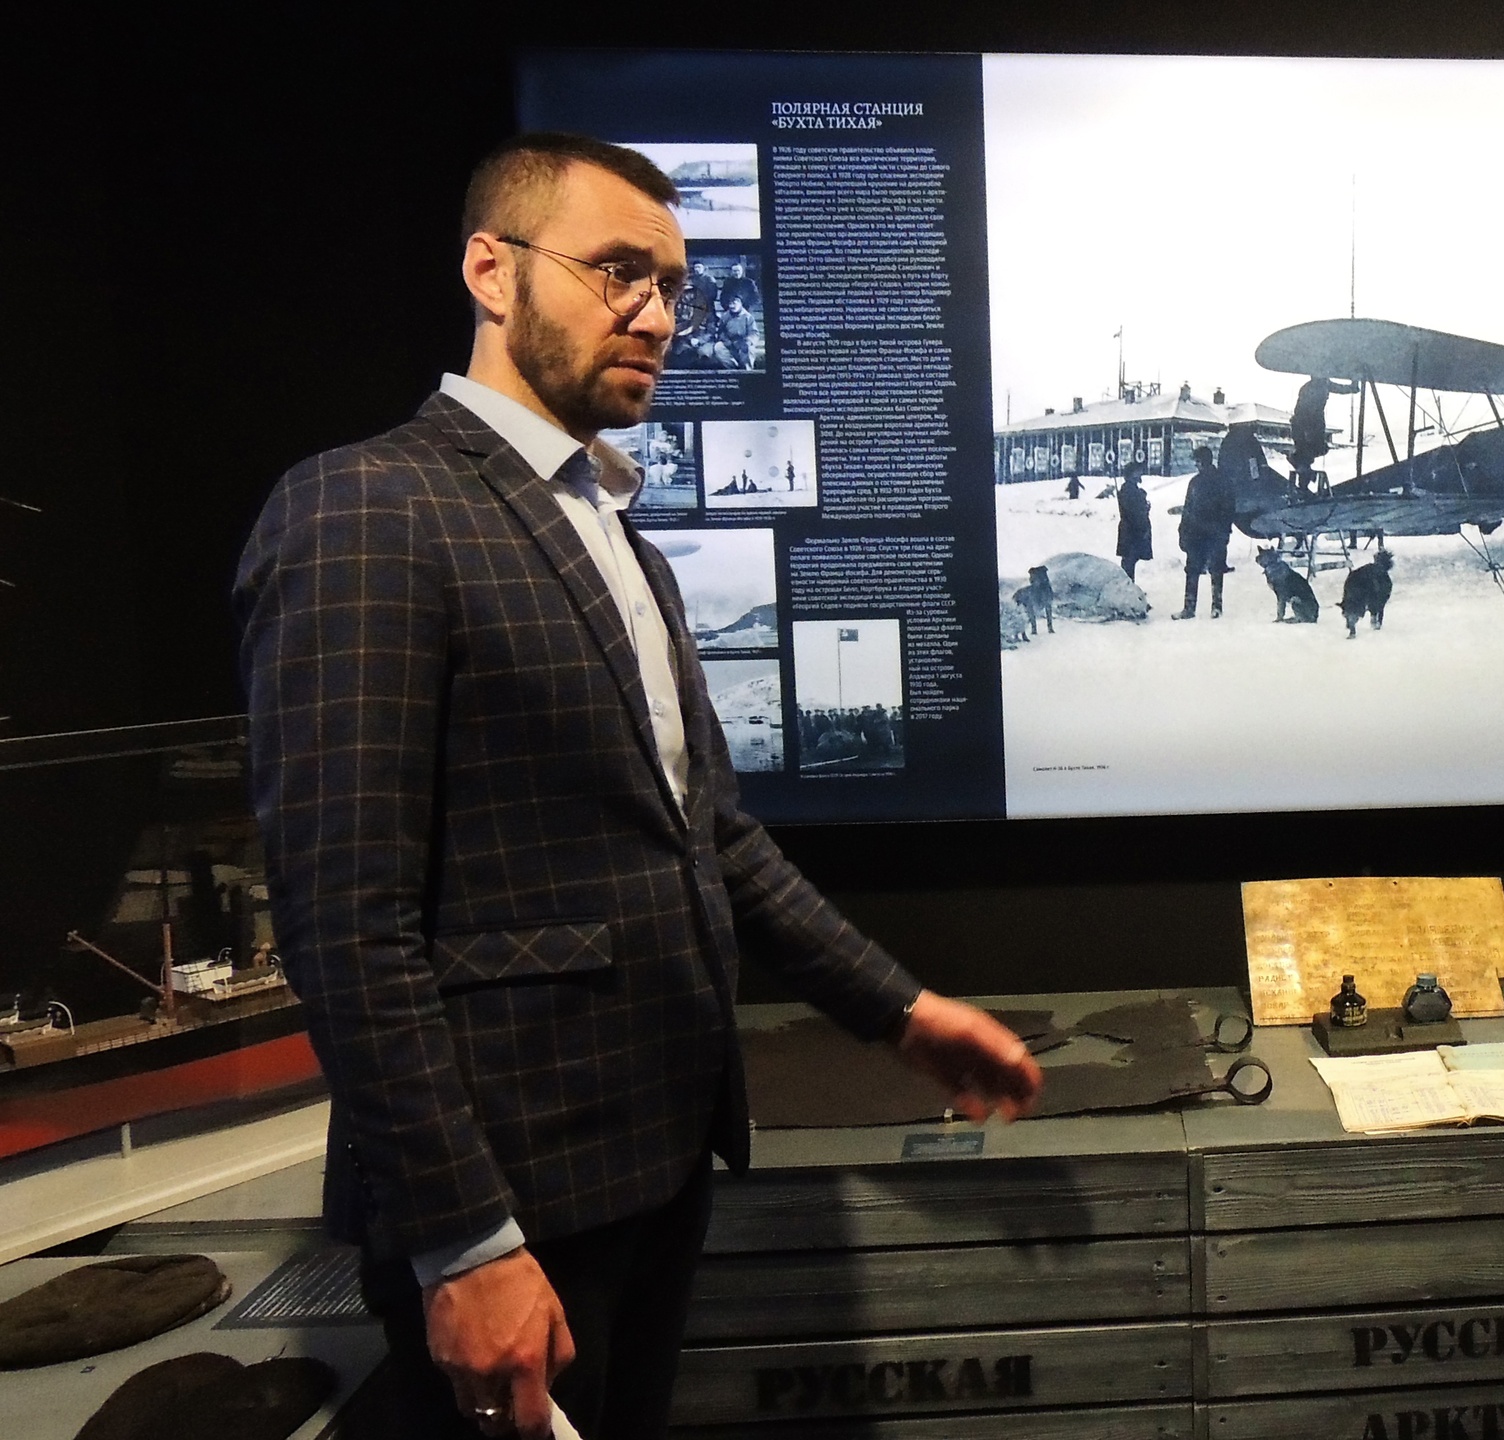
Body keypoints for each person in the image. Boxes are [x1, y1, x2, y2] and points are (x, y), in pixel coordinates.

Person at [233, 134, 1040, 1440]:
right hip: (510, 1202)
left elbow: (712, 841)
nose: (656, 316)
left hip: (651, 1170)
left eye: (672, 285)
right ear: (490, 271)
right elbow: (343, 922)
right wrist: (462, 1239)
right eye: (618, 271)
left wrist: (901, 1014)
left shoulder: (616, 537)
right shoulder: (367, 510)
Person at [1173, 444, 1237, 619]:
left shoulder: (1221, 481)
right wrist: (1183, 530)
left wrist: (1224, 530)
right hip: (1198, 535)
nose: (1196, 464)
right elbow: (1188, 508)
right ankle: (1191, 608)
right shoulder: (1196, 482)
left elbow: (1229, 508)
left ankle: (1215, 607)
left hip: (1213, 534)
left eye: (1197, 461)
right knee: (1194, 570)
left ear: (1203, 461)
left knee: (1215, 570)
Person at [1290, 373, 1357, 484]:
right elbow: (1301, 410)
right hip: (1308, 422)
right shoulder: (1313, 387)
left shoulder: (1319, 385)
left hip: (1310, 423)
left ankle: (1303, 474)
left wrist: (1353, 387)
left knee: (1311, 450)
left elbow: (1340, 388)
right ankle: (1303, 475)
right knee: (1312, 449)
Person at [1115, 459, 1152, 580]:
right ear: (1132, 474)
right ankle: (1127, 587)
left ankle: (1128, 585)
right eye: (1138, 471)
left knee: (1129, 562)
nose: (1140, 474)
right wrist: (1144, 508)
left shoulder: (1130, 489)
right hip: (1132, 532)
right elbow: (1134, 513)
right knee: (1129, 563)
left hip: (1131, 531)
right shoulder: (1130, 491)